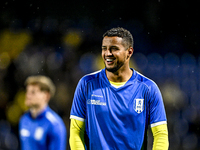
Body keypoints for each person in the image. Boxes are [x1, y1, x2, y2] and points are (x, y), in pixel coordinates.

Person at [69, 27, 169, 150]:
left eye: (114, 49)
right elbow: (76, 131)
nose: (107, 54)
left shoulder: (148, 88)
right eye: (104, 49)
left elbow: (161, 135)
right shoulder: (87, 84)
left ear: (129, 52)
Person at [19, 75, 67, 150]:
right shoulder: (24, 119)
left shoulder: (54, 125)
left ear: (46, 95)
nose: (28, 95)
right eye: (27, 91)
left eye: (33, 92)